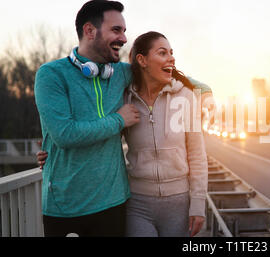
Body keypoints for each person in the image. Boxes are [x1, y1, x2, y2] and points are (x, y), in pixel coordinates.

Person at [34, 0, 212, 237]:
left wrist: (205, 93)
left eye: (125, 31)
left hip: (113, 204)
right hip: (66, 207)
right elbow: (64, 135)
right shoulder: (51, 74)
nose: (124, 38)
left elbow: (164, 72)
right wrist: (118, 120)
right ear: (89, 30)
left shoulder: (120, 74)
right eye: (116, 30)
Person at [124, 31, 207, 237]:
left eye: (171, 53)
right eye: (162, 53)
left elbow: (197, 153)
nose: (171, 58)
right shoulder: (125, 98)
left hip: (178, 204)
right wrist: (52, 153)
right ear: (142, 60)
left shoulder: (186, 97)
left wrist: (198, 203)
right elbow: (104, 140)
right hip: (137, 204)